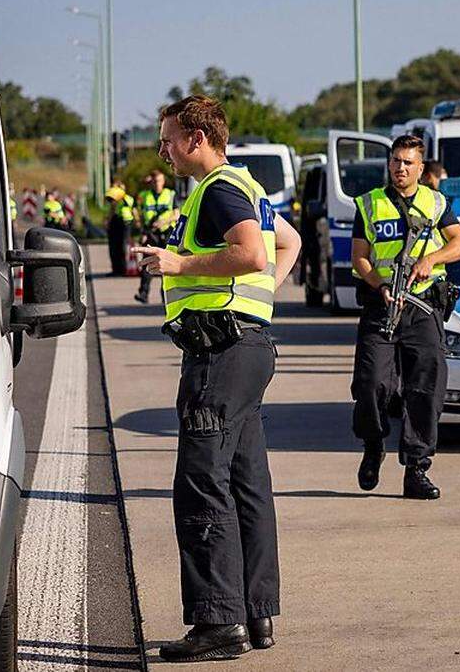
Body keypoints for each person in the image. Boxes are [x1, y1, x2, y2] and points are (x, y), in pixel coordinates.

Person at [132, 95, 301, 662]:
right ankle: (257, 616)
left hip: (222, 354)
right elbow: (289, 243)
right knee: (247, 484)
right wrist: (259, 307)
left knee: (201, 482)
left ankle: (216, 623)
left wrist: (180, 264)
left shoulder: (219, 190)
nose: (163, 150)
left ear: (196, 138)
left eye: (168, 139)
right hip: (245, 347)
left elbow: (254, 253)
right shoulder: (246, 187)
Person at [350, 134, 460, 500]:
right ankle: (373, 444)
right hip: (382, 304)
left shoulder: (436, 204)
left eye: (407, 163)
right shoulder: (369, 204)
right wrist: (379, 283)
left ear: (421, 168)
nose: (400, 168)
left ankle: (417, 468)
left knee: (425, 389)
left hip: (422, 307)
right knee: (372, 385)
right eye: (395, 161)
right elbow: (359, 256)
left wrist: (430, 260)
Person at [133, 168, 178, 303]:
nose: (157, 184)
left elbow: (176, 214)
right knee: (147, 264)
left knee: (166, 264)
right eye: (154, 181)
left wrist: (163, 221)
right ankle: (143, 293)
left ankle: (164, 294)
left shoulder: (170, 194)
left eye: (159, 181)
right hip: (150, 232)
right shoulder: (144, 195)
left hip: (166, 232)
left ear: (163, 182)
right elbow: (135, 208)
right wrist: (140, 226)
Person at [105, 181, 135, 276]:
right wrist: (108, 222)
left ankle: (122, 268)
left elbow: (133, 210)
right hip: (116, 221)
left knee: (122, 246)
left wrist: (137, 222)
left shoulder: (127, 199)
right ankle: (116, 269)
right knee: (114, 247)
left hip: (125, 223)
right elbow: (111, 211)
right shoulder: (115, 199)